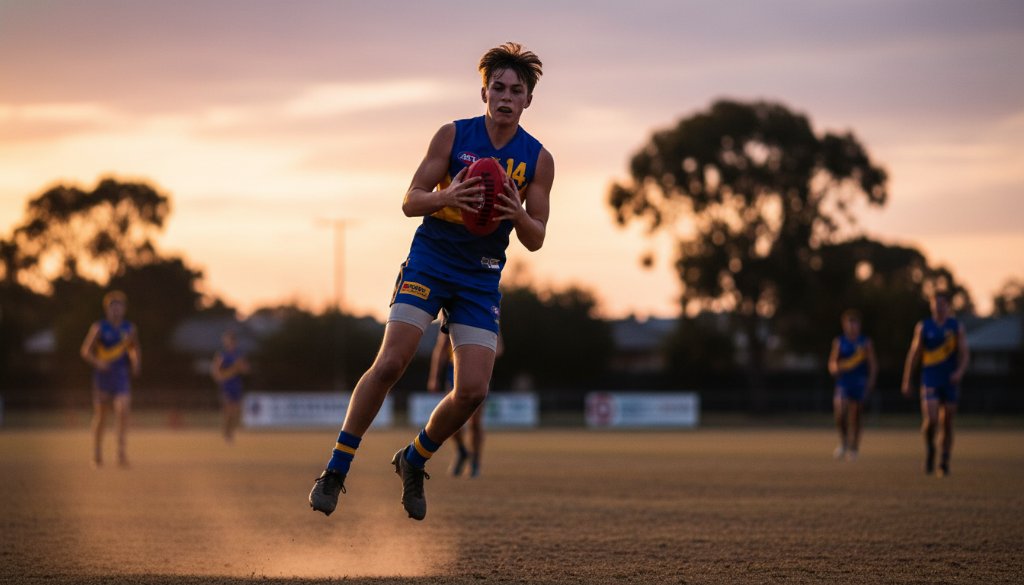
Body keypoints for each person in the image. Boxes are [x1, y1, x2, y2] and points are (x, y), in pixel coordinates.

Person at [309, 41, 553, 521]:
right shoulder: (452, 135)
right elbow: (409, 199)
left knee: (474, 391)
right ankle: (336, 468)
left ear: (528, 100)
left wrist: (516, 214)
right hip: (431, 259)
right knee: (392, 362)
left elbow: (537, 238)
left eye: (516, 90)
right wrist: (451, 196)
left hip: (480, 276)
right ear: (484, 91)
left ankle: (413, 459)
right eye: (498, 88)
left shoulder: (538, 159)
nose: (506, 97)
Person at [901, 291, 970, 476]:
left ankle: (944, 460)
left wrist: (959, 372)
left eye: (941, 304)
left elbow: (965, 354)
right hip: (930, 378)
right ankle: (930, 450)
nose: (937, 307)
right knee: (931, 419)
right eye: (934, 304)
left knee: (947, 422)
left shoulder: (956, 327)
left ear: (948, 306)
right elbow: (914, 354)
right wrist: (907, 379)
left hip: (950, 381)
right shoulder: (924, 326)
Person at [428, 329, 504, 477]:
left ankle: (475, 460)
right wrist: (434, 377)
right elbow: (441, 347)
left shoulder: (488, 313)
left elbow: (499, 348)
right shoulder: (452, 313)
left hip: (479, 369)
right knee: (451, 421)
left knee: (476, 422)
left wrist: (480, 351)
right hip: (455, 369)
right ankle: (462, 450)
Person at [80, 290, 141, 468]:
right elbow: (85, 351)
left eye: (119, 307)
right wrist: (98, 362)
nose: (116, 311)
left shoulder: (129, 328)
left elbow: (134, 348)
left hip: (121, 375)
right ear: (107, 309)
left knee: (123, 409)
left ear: (124, 309)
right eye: (112, 307)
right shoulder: (99, 327)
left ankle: (121, 452)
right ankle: (97, 452)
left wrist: (136, 362)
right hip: (103, 378)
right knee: (102, 415)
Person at [827, 310, 877, 461]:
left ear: (859, 326)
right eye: (849, 324)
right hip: (843, 383)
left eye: (854, 324)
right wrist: (834, 368)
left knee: (856, 416)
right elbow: (832, 362)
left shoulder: (865, 342)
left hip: (859, 382)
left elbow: (872, 364)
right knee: (840, 412)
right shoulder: (839, 341)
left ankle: (854, 447)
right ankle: (843, 442)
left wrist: (871, 381)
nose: (852, 327)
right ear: (844, 326)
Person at [211, 329, 249, 443]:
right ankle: (226, 433)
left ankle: (230, 431)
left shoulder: (239, 354)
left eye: (230, 341)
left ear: (234, 342)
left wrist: (241, 366)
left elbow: (245, 369)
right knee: (228, 410)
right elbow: (216, 372)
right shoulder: (222, 355)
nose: (228, 343)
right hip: (226, 386)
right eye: (226, 340)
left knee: (236, 411)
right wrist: (229, 372)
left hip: (236, 385)